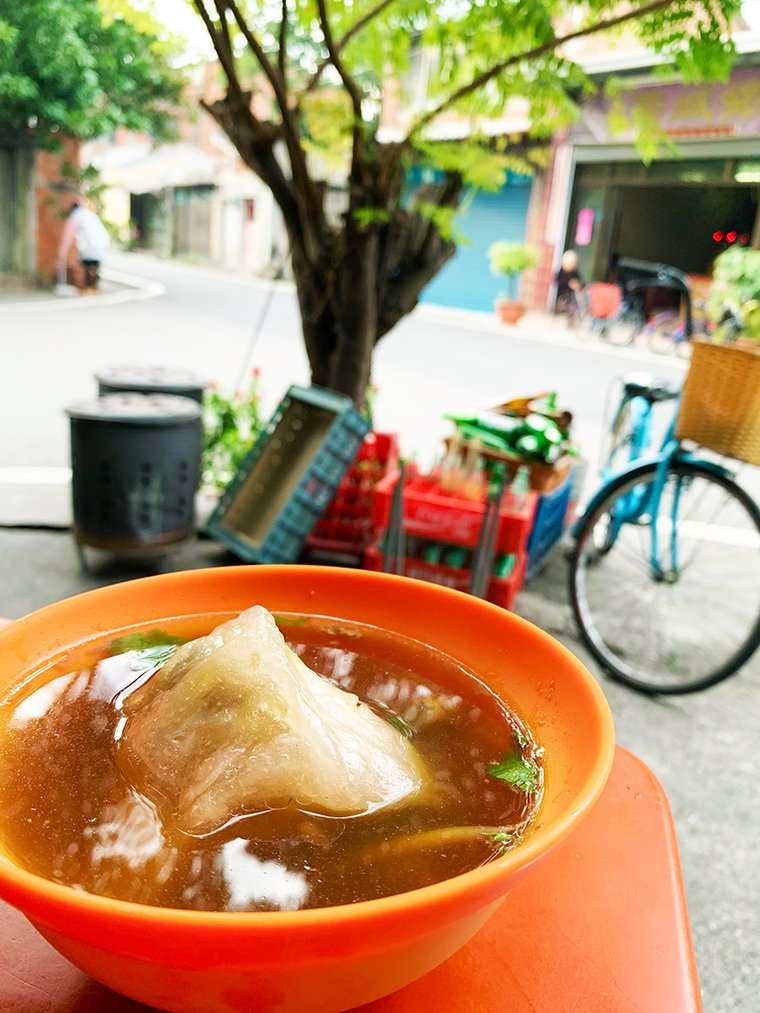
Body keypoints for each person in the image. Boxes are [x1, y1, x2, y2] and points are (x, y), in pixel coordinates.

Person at [58, 200, 111, 294]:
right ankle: (94, 288)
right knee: (95, 267)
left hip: (89, 246)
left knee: (86, 267)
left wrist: (63, 250)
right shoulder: (90, 214)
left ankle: (88, 288)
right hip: (103, 243)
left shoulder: (76, 216)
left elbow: (68, 236)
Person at [554, 249, 584, 325]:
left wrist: (577, 284)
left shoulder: (574, 272)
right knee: (564, 302)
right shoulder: (561, 271)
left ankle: (572, 321)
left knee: (574, 303)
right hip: (563, 293)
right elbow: (558, 282)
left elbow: (580, 281)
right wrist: (569, 283)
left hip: (572, 294)